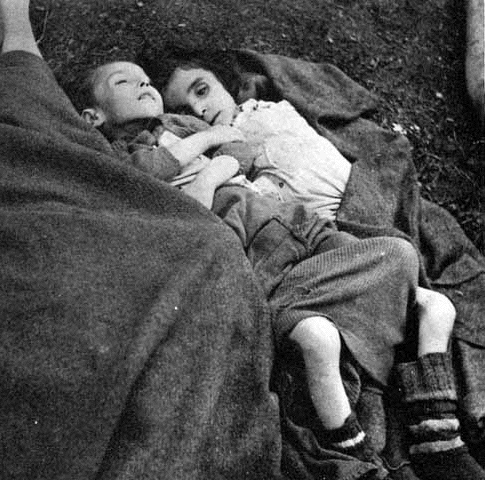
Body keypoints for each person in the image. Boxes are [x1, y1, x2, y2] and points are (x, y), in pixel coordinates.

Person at [74, 58, 485, 480]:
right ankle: (356, 450)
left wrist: (212, 166)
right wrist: (210, 152)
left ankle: (436, 430)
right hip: (256, 245)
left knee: (408, 265)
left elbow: (239, 149)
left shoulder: (181, 126)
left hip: (294, 225)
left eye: (145, 77)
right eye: (124, 81)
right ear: (93, 116)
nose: (143, 83)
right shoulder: (112, 155)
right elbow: (152, 172)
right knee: (318, 334)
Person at [0, 2, 289, 479]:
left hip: (50, 162)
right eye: (127, 83)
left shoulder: (21, 67)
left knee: (205, 253)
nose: (144, 87)